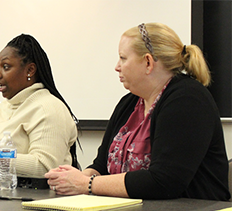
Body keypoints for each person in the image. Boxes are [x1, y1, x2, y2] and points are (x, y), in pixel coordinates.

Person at [45, 23, 231, 201]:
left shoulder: (188, 100)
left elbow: (164, 182)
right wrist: (72, 179)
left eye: (123, 58)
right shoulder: (129, 103)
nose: (117, 66)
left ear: (148, 62)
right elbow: (101, 167)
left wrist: (87, 183)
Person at [0, 34, 78, 188]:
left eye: (6, 67)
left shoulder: (49, 108)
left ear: (30, 70)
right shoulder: (0, 108)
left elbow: (45, 167)